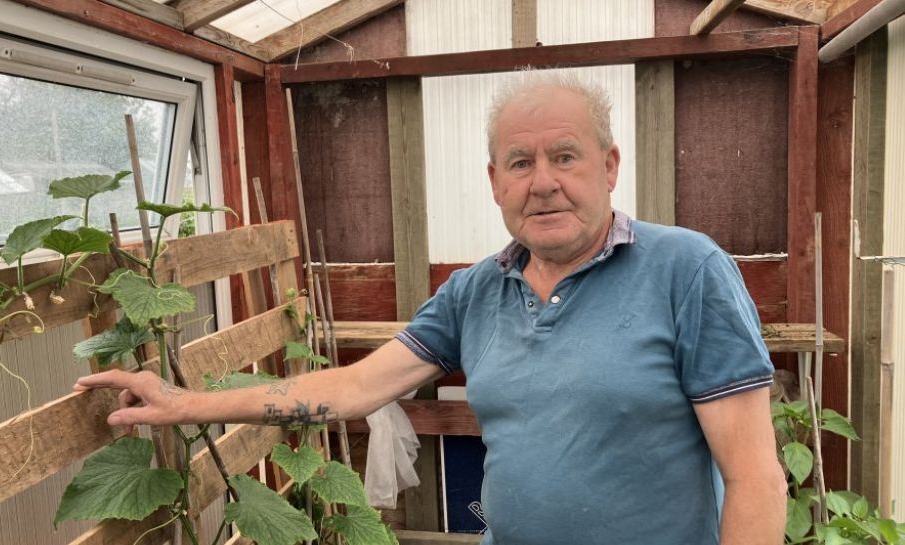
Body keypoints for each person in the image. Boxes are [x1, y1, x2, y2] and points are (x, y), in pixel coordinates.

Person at [76, 72, 786, 544]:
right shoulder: (476, 291)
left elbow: (753, 473)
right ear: (494, 181)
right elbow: (354, 386)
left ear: (609, 166)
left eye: (565, 157)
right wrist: (181, 403)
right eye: (520, 162)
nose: (543, 183)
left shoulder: (686, 270)